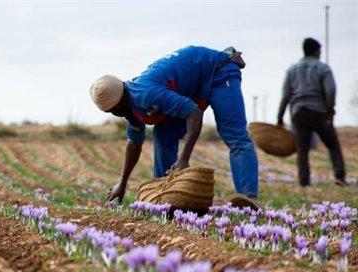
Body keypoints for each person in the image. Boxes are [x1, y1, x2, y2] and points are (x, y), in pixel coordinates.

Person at [90, 46, 260, 207]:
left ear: (119, 104)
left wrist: (184, 158)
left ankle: (248, 199)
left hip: (218, 71)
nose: (115, 115)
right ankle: (166, 197)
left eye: (112, 111)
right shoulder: (129, 104)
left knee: (234, 134)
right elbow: (134, 144)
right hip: (192, 89)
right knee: (163, 134)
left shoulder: (145, 94)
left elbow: (194, 113)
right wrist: (122, 181)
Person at [277, 37, 347, 187]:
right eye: (320, 51)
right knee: (332, 144)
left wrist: (280, 117)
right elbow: (331, 89)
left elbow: (286, 95)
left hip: (299, 113)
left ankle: (304, 181)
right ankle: (340, 177)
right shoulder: (323, 68)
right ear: (316, 51)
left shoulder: (292, 70)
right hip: (319, 112)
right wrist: (330, 109)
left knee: (302, 148)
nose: (320, 53)